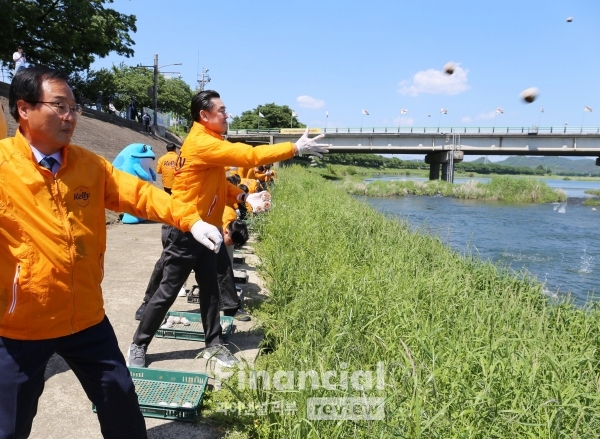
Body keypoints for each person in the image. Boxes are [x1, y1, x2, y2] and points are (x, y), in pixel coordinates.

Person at [0, 66, 223, 439]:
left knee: (121, 405)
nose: (70, 116)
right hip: (22, 326)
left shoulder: (89, 165)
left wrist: (190, 218)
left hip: (87, 318)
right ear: (24, 109)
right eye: (59, 106)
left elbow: (141, 194)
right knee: (10, 425)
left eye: (74, 107)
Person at [128, 89, 328, 369]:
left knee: (212, 290)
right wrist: (293, 148)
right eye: (221, 110)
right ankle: (139, 344)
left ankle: (213, 344)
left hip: (207, 230)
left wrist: (243, 197)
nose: (227, 114)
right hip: (185, 229)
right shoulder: (201, 143)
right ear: (204, 115)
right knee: (168, 292)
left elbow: (216, 185)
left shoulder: (209, 141)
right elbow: (249, 155)